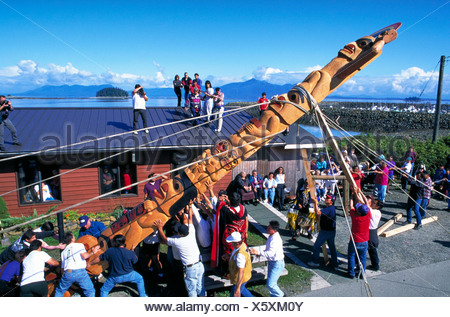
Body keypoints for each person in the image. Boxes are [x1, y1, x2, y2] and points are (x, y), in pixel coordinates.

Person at [155, 204, 205, 297]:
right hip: (200, 265)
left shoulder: (178, 241)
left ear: (179, 233)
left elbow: (164, 239)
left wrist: (160, 228)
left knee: (192, 291)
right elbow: (188, 219)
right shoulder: (191, 232)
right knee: (200, 288)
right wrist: (188, 207)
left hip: (191, 268)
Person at [54, 231, 100, 297]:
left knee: (59, 291)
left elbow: (62, 268)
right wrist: (93, 252)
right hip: (80, 271)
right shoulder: (79, 245)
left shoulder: (63, 252)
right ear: (72, 238)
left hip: (68, 272)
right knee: (90, 291)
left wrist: (63, 277)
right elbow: (84, 256)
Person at [211, 192, 248, 271]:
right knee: (240, 253)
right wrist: (246, 231)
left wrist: (222, 200)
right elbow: (246, 220)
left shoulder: (227, 210)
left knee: (229, 254)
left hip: (230, 237)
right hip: (241, 235)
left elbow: (218, 205)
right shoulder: (243, 209)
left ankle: (228, 271)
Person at [250, 220, 284, 297]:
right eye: (268, 227)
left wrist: (258, 252)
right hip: (272, 262)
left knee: (271, 284)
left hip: (277, 263)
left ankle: (281, 296)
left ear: (274, 230)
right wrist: (258, 251)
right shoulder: (271, 236)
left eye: (269, 228)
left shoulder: (275, 240)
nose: (267, 229)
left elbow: (271, 253)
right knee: (271, 283)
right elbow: (267, 250)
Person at [307, 194, 339, 270]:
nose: (326, 199)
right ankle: (335, 264)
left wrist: (315, 203)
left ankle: (315, 262)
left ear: (331, 201)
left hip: (326, 231)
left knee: (316, 246)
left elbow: (318, 213)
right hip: (331, 231)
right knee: (332, 247)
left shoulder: (329, 208)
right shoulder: (330, 208)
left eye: (328, 198)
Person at [347, 199, 371, 279]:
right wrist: (359, 192)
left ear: (359, 212)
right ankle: (362, 273)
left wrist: (351, 197)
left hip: (355, 241)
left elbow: (351, 206)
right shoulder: (368, 215)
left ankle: (351, 273)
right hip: (364, 241)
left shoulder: (355, 217)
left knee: (351, 256)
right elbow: (367, 203)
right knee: (362, 258)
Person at [225, 232, 253, 297]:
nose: (230, 243)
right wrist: (229, 256)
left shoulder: (240, 255)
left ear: (237, 243)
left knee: (234, 294)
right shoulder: (242, 245)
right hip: (245, 276)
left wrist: (237, 288)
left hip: (240, 279)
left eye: (231, 242)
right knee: (243, 290)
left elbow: (241, 271)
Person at [366, 196, 382, 271]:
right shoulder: (378, 213)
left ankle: (375, 265)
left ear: (377, 206)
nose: (372, 203)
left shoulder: (373, 211)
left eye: (374, 203)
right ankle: (375, 264)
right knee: (372, 249)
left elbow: (366, 205)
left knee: (370, 248)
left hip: (370, 231)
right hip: (374, 231)